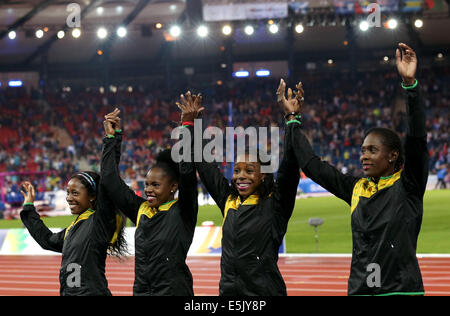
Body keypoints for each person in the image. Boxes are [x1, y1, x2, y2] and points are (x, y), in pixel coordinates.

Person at [279, 43, 428, 296]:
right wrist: (293, 120)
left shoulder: (408, 185)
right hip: (360, 290)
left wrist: (410, 86)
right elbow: (312, 165)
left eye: (372, 150)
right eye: (362, 151)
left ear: (393, 156)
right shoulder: (356, 188)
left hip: (400, 291)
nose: (364, 157)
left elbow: (416, 140)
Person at [185, 91, 301, 296]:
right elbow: (205, 165)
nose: (240, 176)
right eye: (237, 170)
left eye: (249, 170)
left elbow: (291, 165)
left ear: (263, 175)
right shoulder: (229, 200)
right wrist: (192, 125)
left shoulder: (275, 203)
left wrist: (292, 119)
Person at [101, 105, 199, 296]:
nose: (148, 190)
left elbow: (187, 173)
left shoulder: (183, 210)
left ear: (173, 187)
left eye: (155, 185)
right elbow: (109, 180)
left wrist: (187, 126)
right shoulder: (141, 209)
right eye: (146, 184)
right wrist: (113, 138)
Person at [19, 171, 127, 296]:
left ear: (92, 196)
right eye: (68, 193)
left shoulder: (100, 221)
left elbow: (110, 181)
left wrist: (110, 150)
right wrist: (28, 208)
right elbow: (47, 240)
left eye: (75, 193)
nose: (69, 198)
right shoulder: (73, 227)